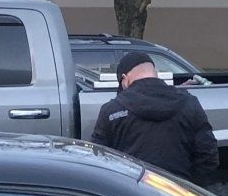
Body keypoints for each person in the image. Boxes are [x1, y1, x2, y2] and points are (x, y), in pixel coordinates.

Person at [89, 50, 219, 183]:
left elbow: (99, 160)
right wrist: (191, 189)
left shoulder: (112, 110)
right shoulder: (189, 103)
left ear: (125, 79)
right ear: (154, 73)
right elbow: (208, 156)